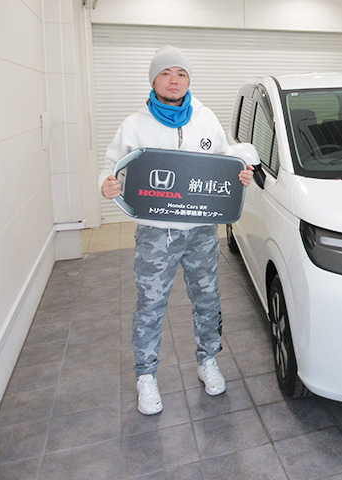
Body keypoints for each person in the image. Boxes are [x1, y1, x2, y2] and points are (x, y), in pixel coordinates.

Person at [99, 46, 254, 415]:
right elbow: (110, 166)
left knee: (207, 299)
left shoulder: (205, 118)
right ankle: (146, 375)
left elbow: (225, 161)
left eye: (181, 74)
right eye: (166, 73)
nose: (174, 80)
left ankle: (208, 361)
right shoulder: (134, 125)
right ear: (154, 80)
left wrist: (241, 174)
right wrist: (105, 183)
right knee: (150, 304)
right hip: (156, 234)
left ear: (188, 80)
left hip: (201, 231)